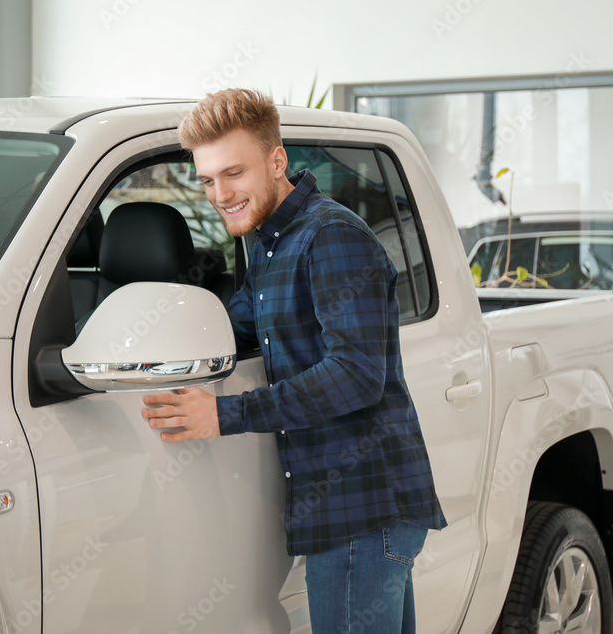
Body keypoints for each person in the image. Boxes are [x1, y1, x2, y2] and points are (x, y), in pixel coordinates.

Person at [141, 88, 447, 633]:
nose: (220, 193)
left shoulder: (330, 238)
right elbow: (238, 325)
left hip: (364, 508)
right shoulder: (270, 241)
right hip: (351, 513)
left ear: (276, 160)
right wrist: (149, 341)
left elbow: (355, 375)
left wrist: (224, 414)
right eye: (207, 180)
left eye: (233, 173)